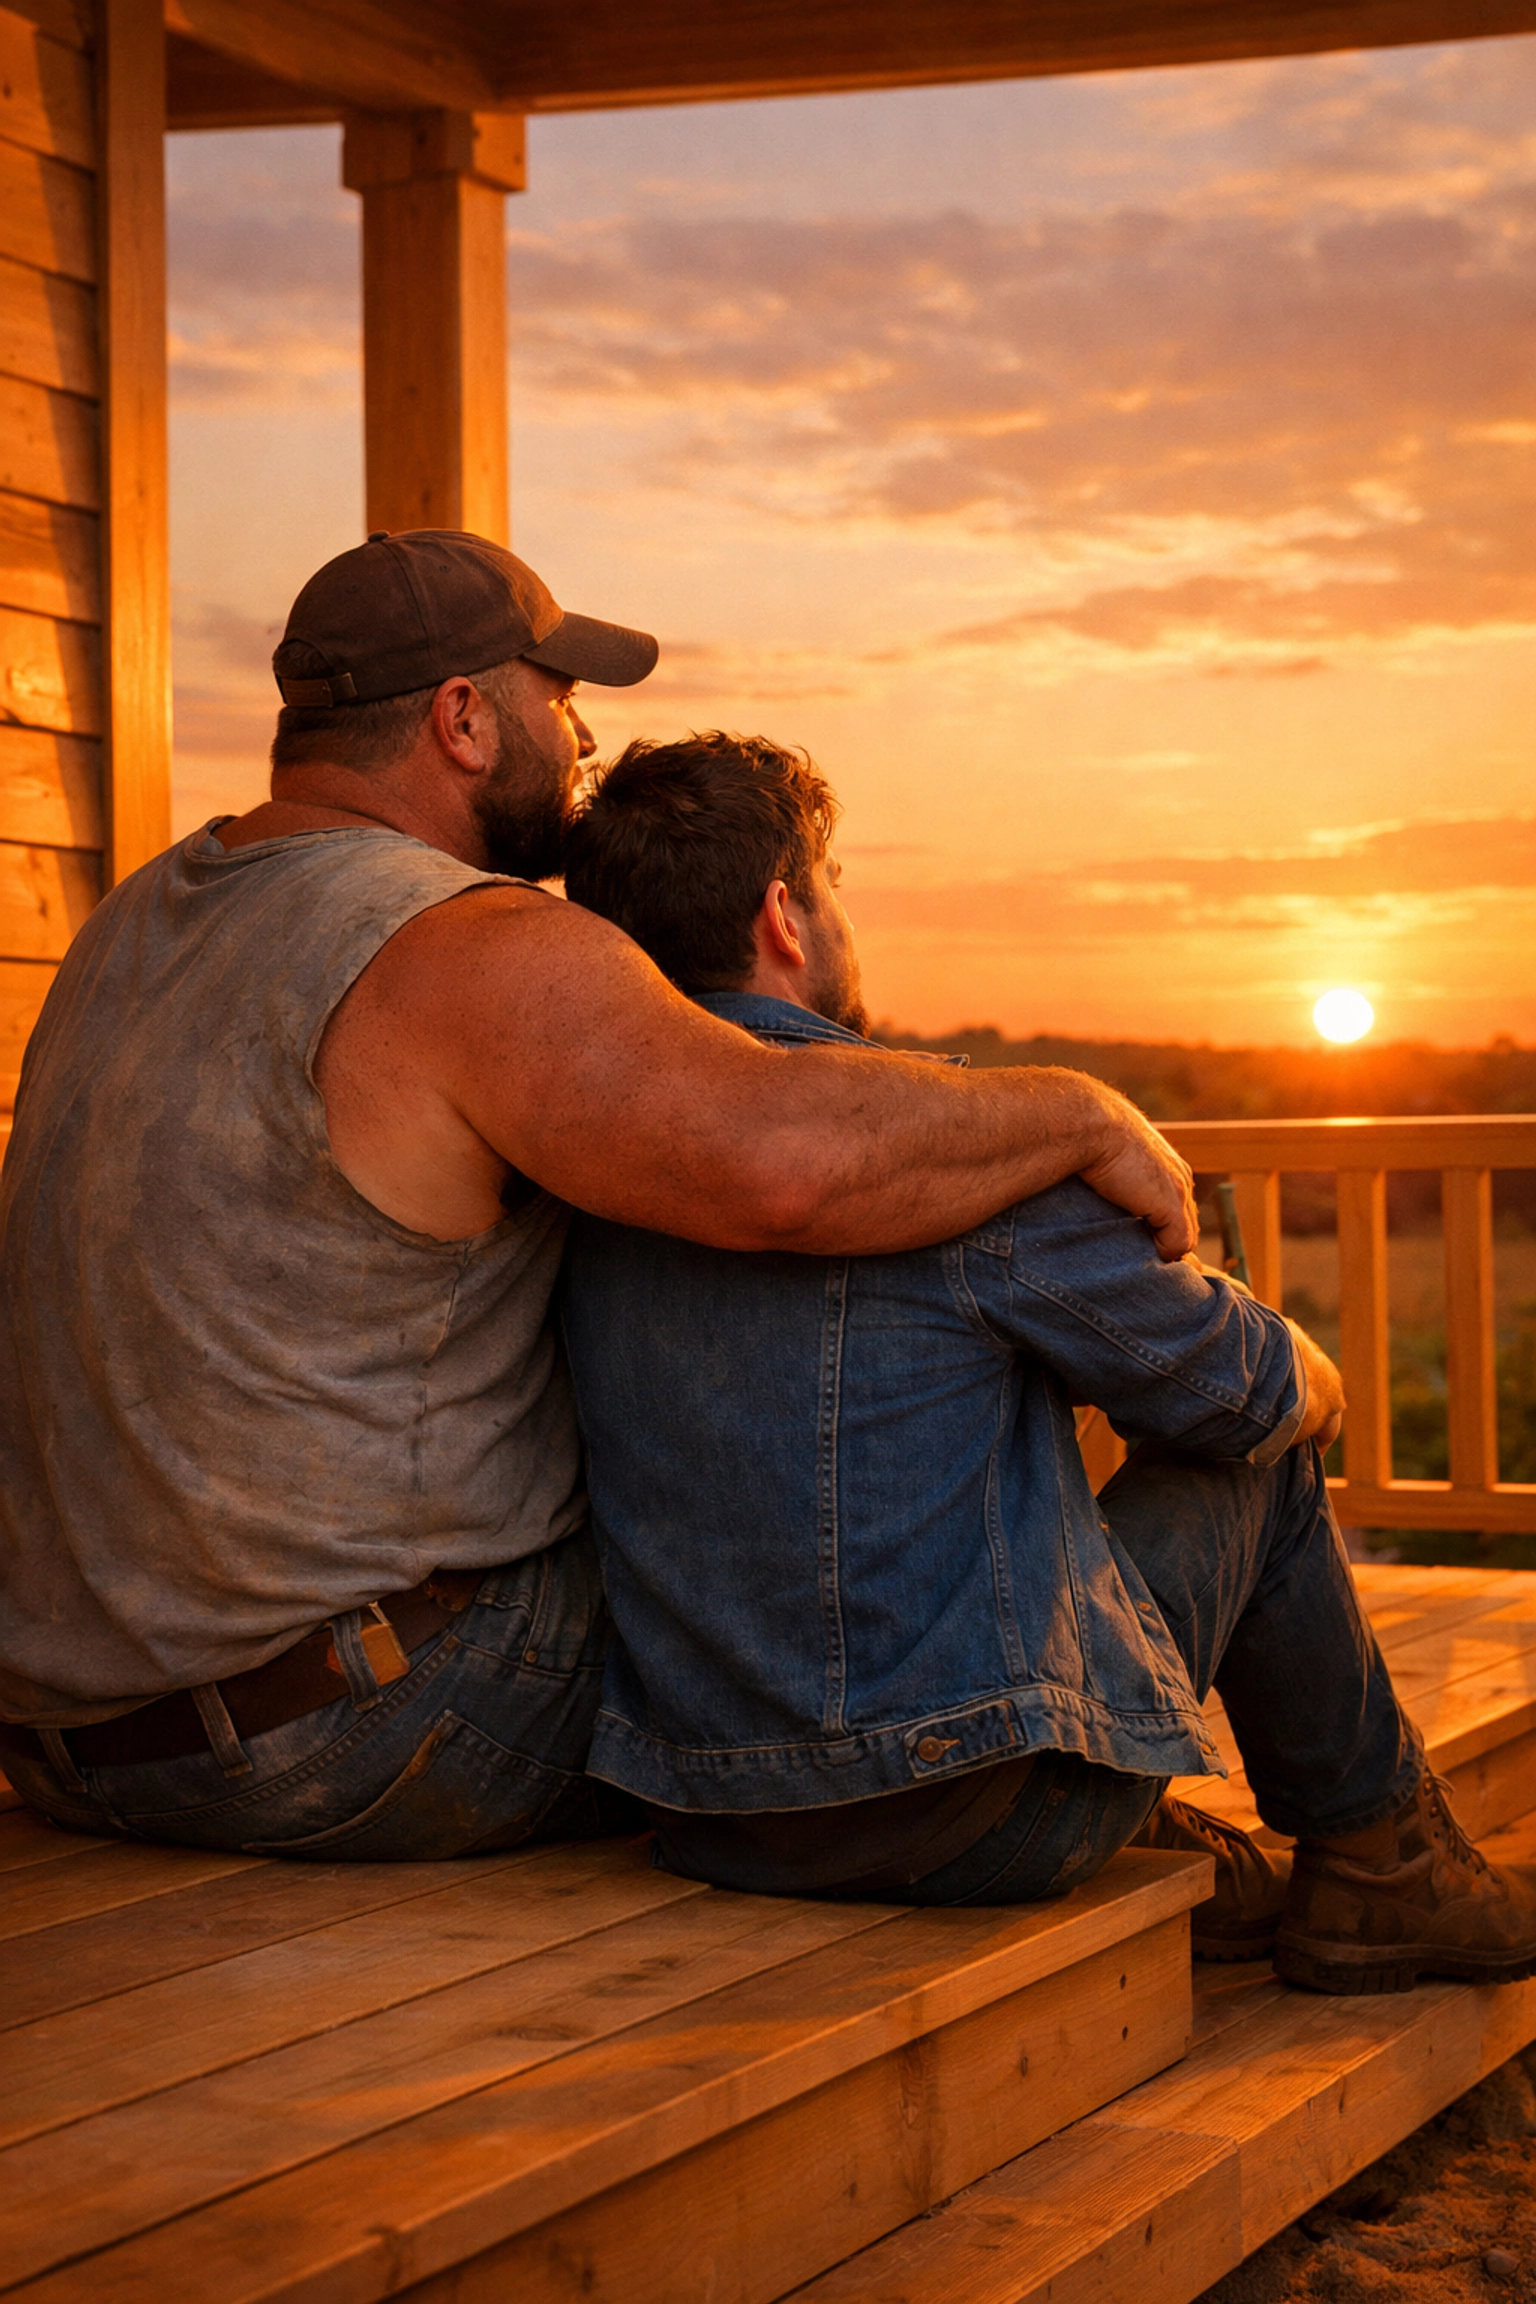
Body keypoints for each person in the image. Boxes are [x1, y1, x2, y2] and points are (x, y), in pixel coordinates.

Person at [0, 530, 1197, 1862]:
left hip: (64, 1737)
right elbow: (787, 1165)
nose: (576, 744)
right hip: (352, 1735)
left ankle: (1097, 1807)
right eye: (556, 699)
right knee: (796, 1584)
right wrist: (1082, 1107)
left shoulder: (132, 920)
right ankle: (1039, 1805)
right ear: (463, 718)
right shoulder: (464, 941)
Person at [560, 731, 1536, 1994]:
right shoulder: (951, 1153)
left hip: (706, 1813)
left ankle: (1182, 1823)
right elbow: (1236, 1393)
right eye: (835, 878)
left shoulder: (586, 1162)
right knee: (1260, 1462)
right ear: (783, 918)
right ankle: (1387, 1874)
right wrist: (1310, 1370)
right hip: (969, 1812)